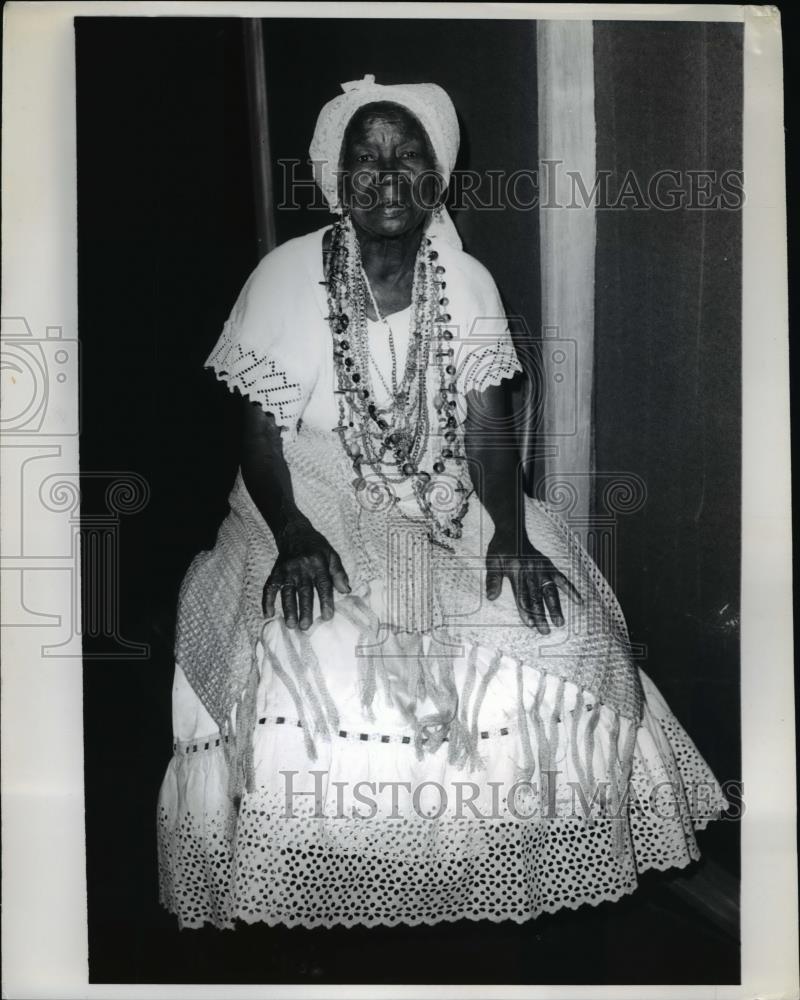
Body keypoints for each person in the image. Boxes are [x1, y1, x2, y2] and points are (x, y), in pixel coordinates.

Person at [157, 76, 727, 931]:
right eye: (367, 158)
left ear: (438, 178)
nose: (388, 174)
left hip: (444, 494)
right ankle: (336, 883)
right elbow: (261, 443)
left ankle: (485, 872)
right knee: (303, 649)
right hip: (302, 494)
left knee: (561, 634)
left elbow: (490, 437)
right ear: (338, 177)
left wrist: (509, 532)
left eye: (409, 156)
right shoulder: (283, 277)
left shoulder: (465, 283)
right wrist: (294, 534)